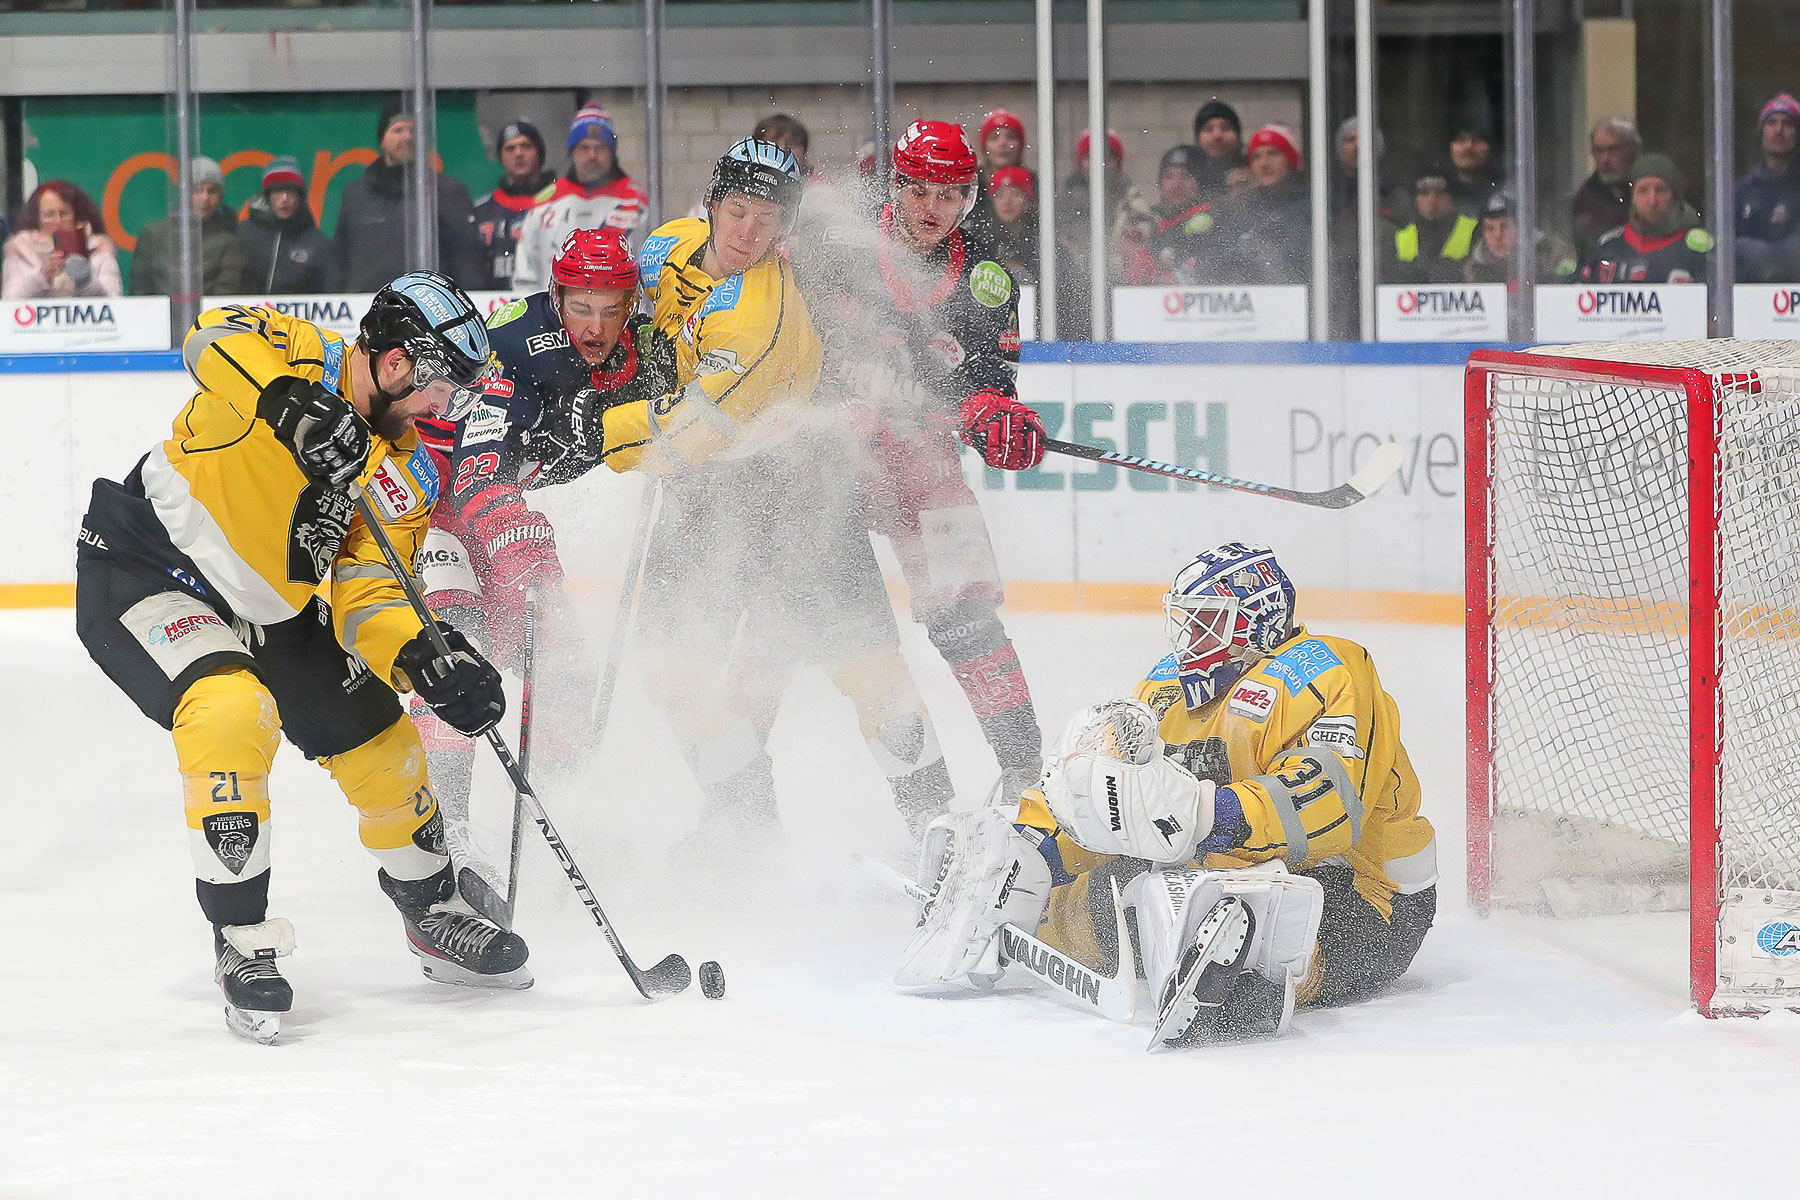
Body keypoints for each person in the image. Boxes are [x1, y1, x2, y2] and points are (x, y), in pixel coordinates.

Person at [73, 272, 527, 1044]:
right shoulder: (302, 353)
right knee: (228, 710)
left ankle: (431, 908)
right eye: (441, 387)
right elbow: (211, 336)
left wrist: (424, 657)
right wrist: (285, 398)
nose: (446, 407)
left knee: (385, 745)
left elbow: (370, 593)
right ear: (394, 364)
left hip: (274, 610)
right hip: (147, 564)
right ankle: (240, 939)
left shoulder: (409, 471)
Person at [896, 542, 1437, 1047]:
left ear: (1257, 622)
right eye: (1185, 621)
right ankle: (1015, 900)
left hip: (1366, 892)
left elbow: (1328, 808)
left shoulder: (1327, 669)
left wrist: (1205, 812)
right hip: (1219, 873)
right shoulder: (1167, 689)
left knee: (1261, 902)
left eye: (1206, 622)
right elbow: (1116, 798)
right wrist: (1042, 844)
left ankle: (1246, 974)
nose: (1187, 639)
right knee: (1124, 888)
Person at [606, 138, 962, 843]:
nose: (747, 232)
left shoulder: (761, 321)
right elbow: (648, 294)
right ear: (709, 204)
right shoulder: (670, 245)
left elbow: (679, 439)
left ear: (785, 231)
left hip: (801, 496)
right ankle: (743, 817)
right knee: (672, 666)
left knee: (867, 670)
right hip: (707, 503)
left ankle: (941, 831)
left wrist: (594, 427)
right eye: (736, 211)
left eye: (768, 221)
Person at [796, 119, 1048, 806]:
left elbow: (993, 382)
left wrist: (994, 413)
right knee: (804, 629)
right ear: (897, 187)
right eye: (920, 191)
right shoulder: (837, 246)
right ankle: (750, 809)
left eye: (951, 193)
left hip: (921, 460)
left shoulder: (989, 278)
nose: (933, 208)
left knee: (966, 614)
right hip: (828, 463)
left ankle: (1028, 775)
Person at [411, 229, 675, 832]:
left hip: (483, 501)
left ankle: (562, 824)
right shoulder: (516, 355)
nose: (596, 326)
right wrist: (521, 539)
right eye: (580, 306)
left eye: (612, 308)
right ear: (555, 298)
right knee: (453, 656)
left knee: (560, 668)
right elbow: (477, 480)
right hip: (422, 504)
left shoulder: (636, 355)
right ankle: (444, 834)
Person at [335, 108, 485, 292]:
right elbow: (340, 260)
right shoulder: (356, 194)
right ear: (382, 139)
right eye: (398, 130)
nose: (407, 137)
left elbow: (467, 260)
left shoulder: (448, 191)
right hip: (368, 307)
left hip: (431, 309)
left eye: (413, 131)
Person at [511, 107, 649, 290]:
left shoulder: (638, 203)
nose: (592, 155)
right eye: (584, 147)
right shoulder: (543, 204)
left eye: (599, 147)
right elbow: (525, 277)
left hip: (616, 313)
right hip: (550, 316)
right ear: (573, 151)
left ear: (612, 152)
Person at [1581, 153, 1713, 284]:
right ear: (1632, 197)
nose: (1652, 201)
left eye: (1661, 190)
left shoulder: (1697, 250)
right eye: (1643, 190)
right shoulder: (1608, 246)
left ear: (1675, 196)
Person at [130, 157, 250, 298]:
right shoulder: (153, 234)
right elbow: (140, 286)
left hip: (210, 318)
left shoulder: (231, 239)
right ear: (183, 192)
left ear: (220, 195)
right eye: (197, 190)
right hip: (159, 317)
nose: (205, 198)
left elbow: (227, 292)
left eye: (212, 191)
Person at [1054, 128, 1131, 339]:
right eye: (1091, 156)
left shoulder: (1128, 194)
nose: (1100, 163)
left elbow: (1139, 227)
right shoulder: (1065, 199)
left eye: (1108, 156)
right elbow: (1062, 237)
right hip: (1076, 282)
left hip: (1116, 282)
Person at [1118, 144, 1225, 286]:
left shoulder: (1213, 220)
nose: (1176, 184)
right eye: (1169, 176)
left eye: (1185, 176)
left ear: (1200, 182)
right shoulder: (1151, 221)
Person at [2, 179, 122, 300]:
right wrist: (42, 278)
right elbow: (10, 302)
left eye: (64, 213)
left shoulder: (99, 249)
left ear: (76, 216)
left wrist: (84, 280)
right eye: (49, 215)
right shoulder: (20, 251)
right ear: (37, 220)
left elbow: (115, 302)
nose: (57, 221)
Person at [473, 119, 557, 291]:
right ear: (501, 157)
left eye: (526, 146)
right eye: (510, 148)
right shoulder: (480, 211)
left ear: (539, 152)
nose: (518, 153)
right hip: (493, 306)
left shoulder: (560, 206)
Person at [239, 157, 338, 295]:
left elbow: (328, 295)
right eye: (278, 191)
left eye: (291, 191)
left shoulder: (317, 243)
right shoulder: (242, 234)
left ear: (300, 197)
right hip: (249, 315)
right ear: (268, 196)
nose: (284, 199)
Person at [1231, 124, 1310, 285]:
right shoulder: (1246, 208)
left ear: (1290, 158)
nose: (1264, 163)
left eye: (1273, 153)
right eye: (1256, 157)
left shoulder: (1312, 205)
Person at [1735, 94, 1800, 284]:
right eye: (1771, 122)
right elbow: (1722, 249)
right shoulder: (1741, 191)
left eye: (1787, 124)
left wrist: (1747, 248)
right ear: (1761, 131)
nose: (1778, 130)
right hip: (1745, 297)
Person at [1463, 189, 1577, 285]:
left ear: (1522, 227)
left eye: (1505, 226)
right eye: (1489, 228)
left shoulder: (1553, 254)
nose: (1497, 236)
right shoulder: (1473, 269)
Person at [1387, 164, 1477, 284]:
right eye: (1424, 193)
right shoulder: (1400, 232)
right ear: (1415, 198)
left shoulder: (1474, 228)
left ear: (1452, 197)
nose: (1432, 200)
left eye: (1440, 192)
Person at [1570, 117, 1641, 261]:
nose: (1605, 159)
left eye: (1613, 149)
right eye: (1599, 151)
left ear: (1633, 150)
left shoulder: (1652, 188)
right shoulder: (1586, 197)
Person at [966, 108, 1034, 247]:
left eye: (1010, 137)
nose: (1002, 143)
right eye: (994, 138)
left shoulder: (1035, 182)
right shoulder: (971, 183)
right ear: (984, 146)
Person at [986, 166, 1039, 285]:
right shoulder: (983, 239)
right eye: (999, 195)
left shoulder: (1041, 240)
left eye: (1015, 194)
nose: (1007, 201)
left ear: (1028, 199)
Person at [1191, 98, 1247, 204]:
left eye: (1225, 128)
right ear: (1198, 137)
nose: (1217, 135)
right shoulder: (1189, 176)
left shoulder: (1254, 169)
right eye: (1208, 129)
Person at [1447, 119, 1506, 214]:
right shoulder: (1438, 192)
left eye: (1477, 140)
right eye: (1461, 140)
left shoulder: (1507, 192)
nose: (1468, 146)